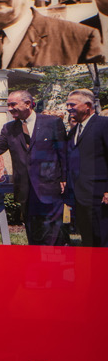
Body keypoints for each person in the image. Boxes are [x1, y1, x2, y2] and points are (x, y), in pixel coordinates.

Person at [0, 89, 70, 245]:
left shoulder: (52, 123)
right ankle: (37, 263)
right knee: (33, 230)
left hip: (50, 187)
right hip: (26, 190)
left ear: (28, 104)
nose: (9, 108)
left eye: (13, 104)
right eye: (8, 105)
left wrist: (64, 178)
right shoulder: (9, 128)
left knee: (53, 231)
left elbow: (63, 153)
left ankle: (54, 263)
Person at [64, 88, 108, 246]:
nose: (68, 108)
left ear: (88, 106)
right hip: (80, 197)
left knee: (102, 241)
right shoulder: (75, 130)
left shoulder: (103, 124)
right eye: (67, 104)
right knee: (88, 242)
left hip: (100, 196)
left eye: (72, 104)